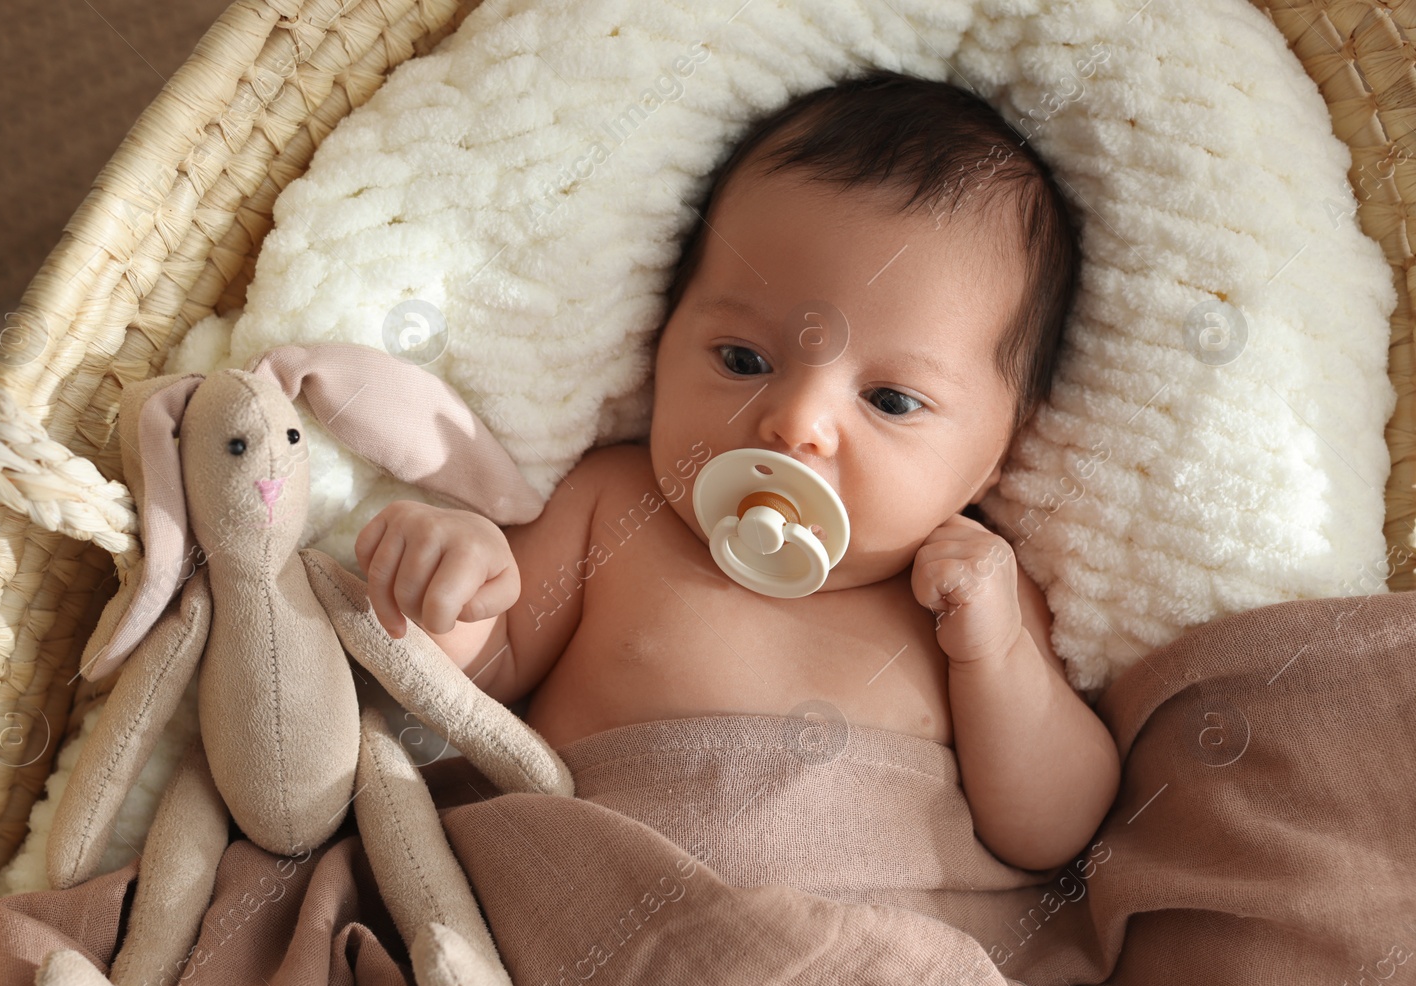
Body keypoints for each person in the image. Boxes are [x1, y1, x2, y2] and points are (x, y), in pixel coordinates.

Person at [352, 69, 1119, 873]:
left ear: (992, 459)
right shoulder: (615, 506)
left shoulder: (972, 594)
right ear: (661, 336)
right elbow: (475, 677)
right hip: (599, 906)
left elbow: (1052, 829)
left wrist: (995, 656)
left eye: (891, 399)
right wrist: (453, 581)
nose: (797, 422)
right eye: (744, 358)